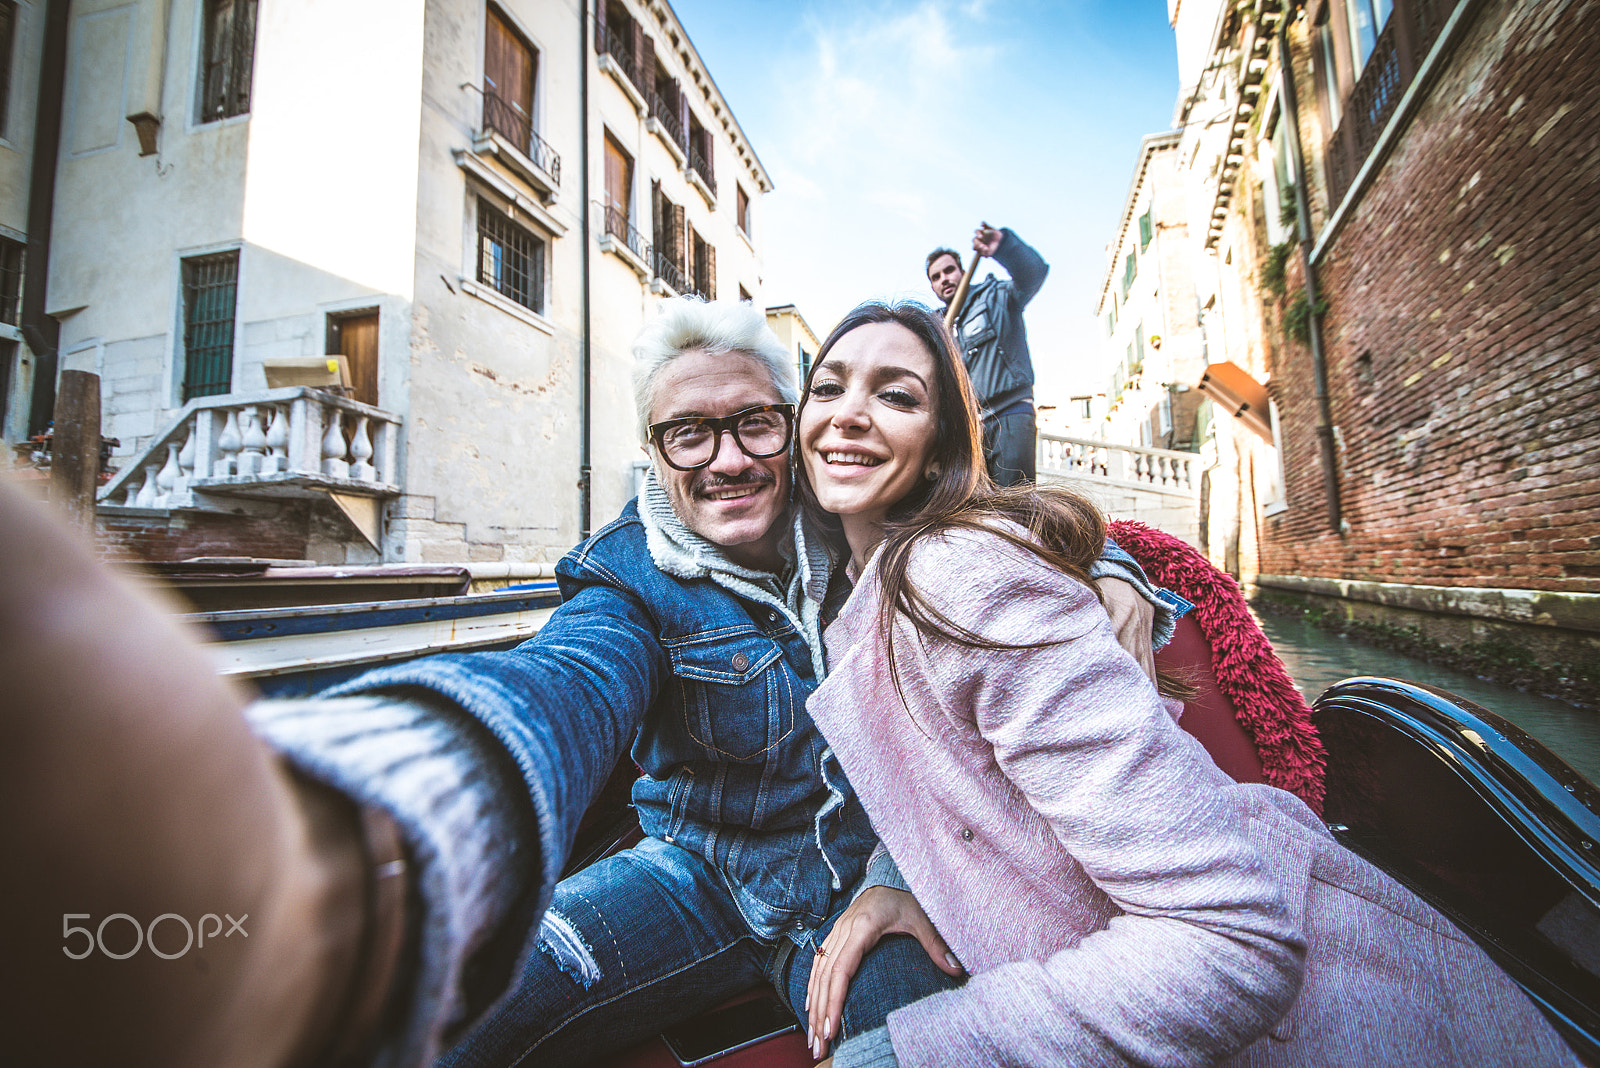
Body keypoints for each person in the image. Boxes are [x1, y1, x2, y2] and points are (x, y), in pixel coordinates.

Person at [0, 298, 1166, 1068]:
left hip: (884, 885)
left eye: (755, 422)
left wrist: (1109, 571)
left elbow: (985, 513)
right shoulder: (624, 579)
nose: (726, 461)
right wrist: (359, 810)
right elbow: (561, 686)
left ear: (794, 423)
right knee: (459, 1017)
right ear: (653, 450)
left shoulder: (862, 509)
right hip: (698, 876)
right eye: (686, 436)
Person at [789, 301, 1578, 1067]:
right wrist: (893, 878)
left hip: (1315, 1014)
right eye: (827, 388)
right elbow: (947, 770)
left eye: (896, 395)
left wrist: (902, 1056)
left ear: (939, 448)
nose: (848, 414)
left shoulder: (956, 572)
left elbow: (1230, 939)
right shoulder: (861, 590)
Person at [926, 223, 1048, 486]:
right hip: (967, 431)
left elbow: (1034, 273)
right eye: (935, 277)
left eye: (949, 270)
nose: (944, 279)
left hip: (1010, 415)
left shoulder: (998, 297)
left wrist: (1004, 246)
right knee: (975, 512)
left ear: (961, 271)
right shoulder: (935, 327)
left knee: (1015, 504)